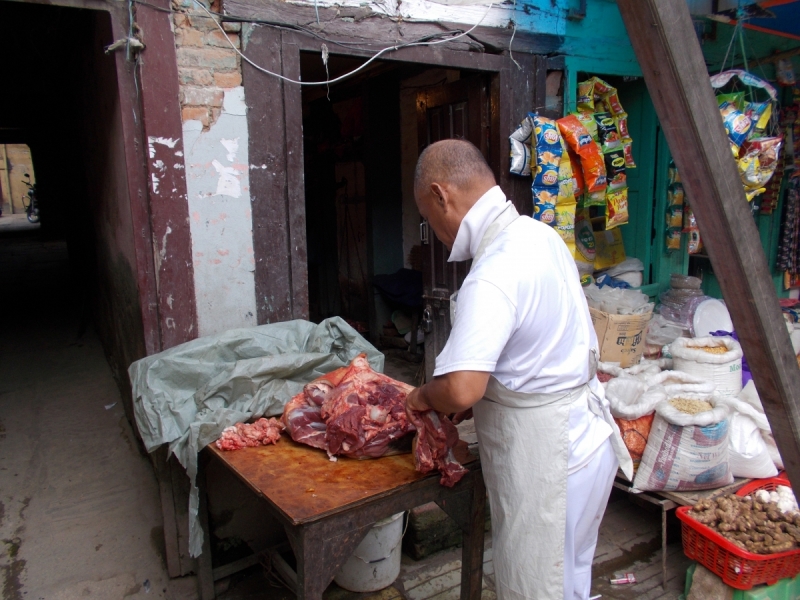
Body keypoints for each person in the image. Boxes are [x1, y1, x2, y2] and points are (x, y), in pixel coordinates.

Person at [405, 139, 633, 600]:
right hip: (587, 443)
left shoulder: (494, 270)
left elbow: (463, 387)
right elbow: (537, 343)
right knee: (567, 580)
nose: (436, 230)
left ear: (441, 194)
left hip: (550, 459)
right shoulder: (538, 234)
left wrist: (423, 396)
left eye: (430, 218)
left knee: (539, 587)